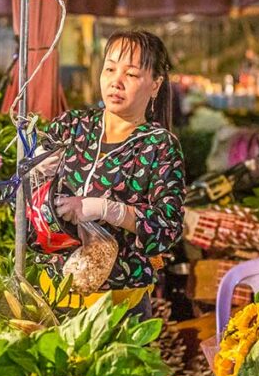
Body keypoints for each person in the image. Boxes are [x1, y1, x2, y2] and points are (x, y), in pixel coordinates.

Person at [41, 30, 186, 322]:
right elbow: (25, 201)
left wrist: (107, 210)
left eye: (131, 74)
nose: (115, 81)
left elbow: (167, 228)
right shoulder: (72, 127)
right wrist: (36, 174)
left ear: (155, 85)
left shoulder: (158, 145)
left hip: (121, 306)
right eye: (109, 69)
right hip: (55, 299)